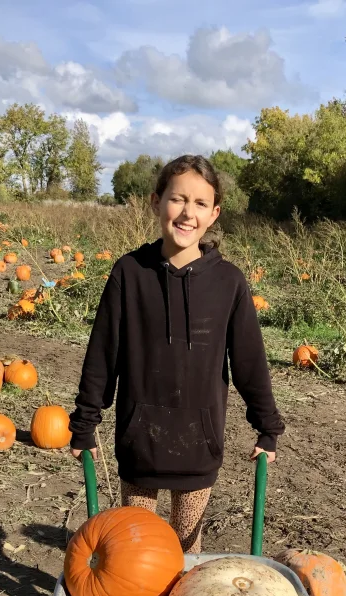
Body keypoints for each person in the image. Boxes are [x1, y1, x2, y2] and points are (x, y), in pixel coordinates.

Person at [68, 154, 284, 554]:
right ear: (156, 202)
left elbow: (250, 362)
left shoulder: (228, 283)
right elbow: (103, 355)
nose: (188, 213)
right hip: (139, 444)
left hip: (198, 447)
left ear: (214, 214)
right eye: (177, 199)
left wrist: (268, 427)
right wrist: (85, 422)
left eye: (200, 203)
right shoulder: (129, 274)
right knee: (136, 549)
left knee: (188, 551)